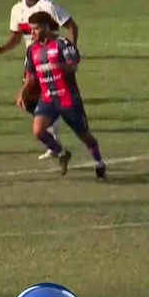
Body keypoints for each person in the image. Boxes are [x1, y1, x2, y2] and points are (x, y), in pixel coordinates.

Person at [0, 0, 79, 159]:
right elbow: (17, 36)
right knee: (27, 101)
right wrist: (4, 48)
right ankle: (53, 136)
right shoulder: (17, 10)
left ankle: (53, 139)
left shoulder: (48, 6)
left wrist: (70, 51)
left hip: (50, 60)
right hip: (32, 60)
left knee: (35, 98)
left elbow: (72, 26)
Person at [18, 11, 107, 181]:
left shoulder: (62, 44)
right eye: (31, 29)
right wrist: (22, 93)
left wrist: (58, 65)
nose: (33, 33)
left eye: (36, 29)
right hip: (48, 99)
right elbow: (31, 76)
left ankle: (99, 163)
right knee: (38, 131)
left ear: (45, 26)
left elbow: (73, 66)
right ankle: (62, 153)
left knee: (85, 136)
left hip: (68, 97)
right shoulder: (32, 50)